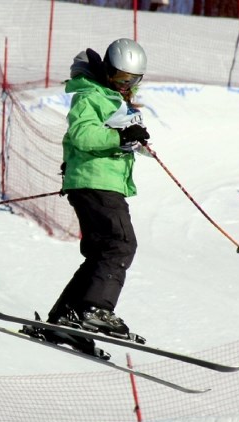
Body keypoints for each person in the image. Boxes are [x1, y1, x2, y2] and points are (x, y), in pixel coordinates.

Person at [45, 38, 151, 341]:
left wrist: (134, 139)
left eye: (132, 80)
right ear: (107, 71)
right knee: (120, 244)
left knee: (100, 253)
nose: (125, 84)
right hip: (96, 183)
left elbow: (112, 135)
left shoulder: (119, 102)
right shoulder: (90, 96)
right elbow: (82, 134)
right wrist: (119, 138)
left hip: (101, 182)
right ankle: (95, 309)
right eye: (120, 78)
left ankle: (65, 317)